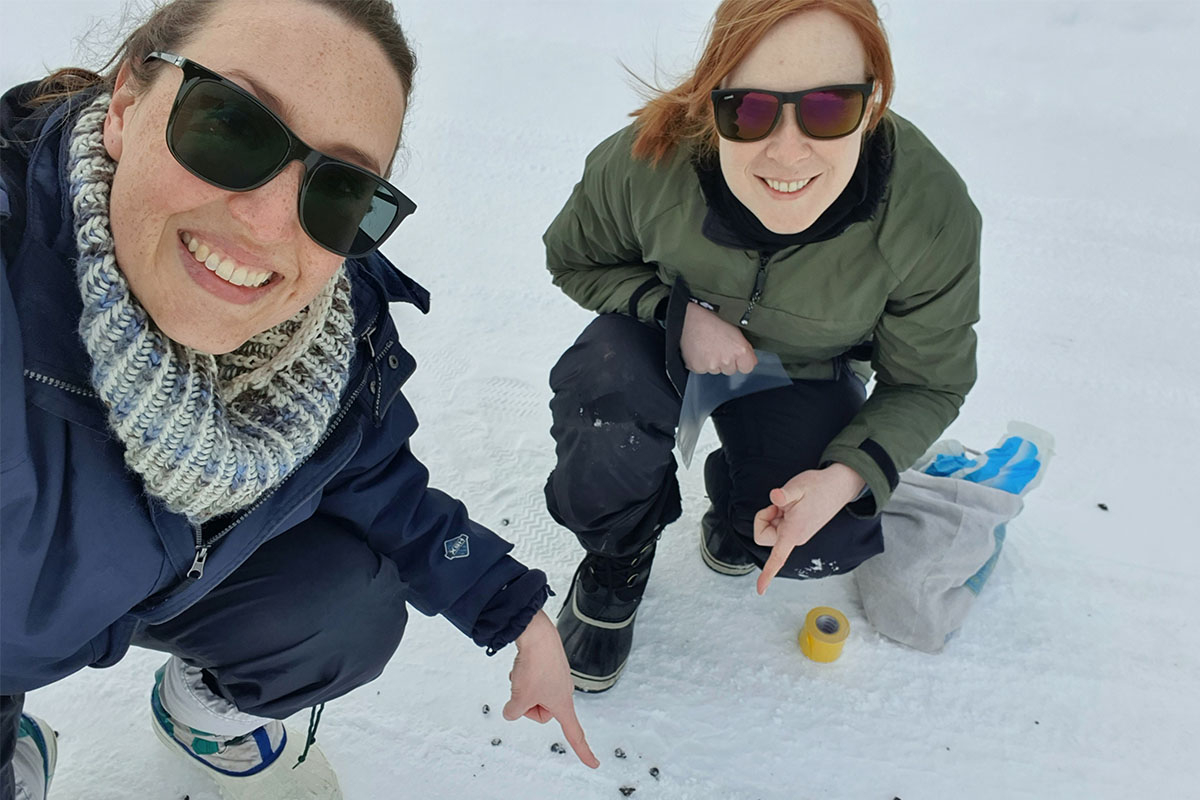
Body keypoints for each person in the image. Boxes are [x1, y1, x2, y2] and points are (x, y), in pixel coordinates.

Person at [0, 1, 600, 798]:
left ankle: (199, 714)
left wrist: (512, 612)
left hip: (136, 586)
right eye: (230, 124)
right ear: (124, 107)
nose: (270, 222)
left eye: (340, 189)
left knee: (348, 608)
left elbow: (383, 485)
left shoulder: (326, 337)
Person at [545, 0, 982, 692]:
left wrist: (842, 478)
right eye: (747, 110)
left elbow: (928, 381)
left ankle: (736, 501)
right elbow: (574, 260)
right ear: (709, 96)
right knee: (603, 391)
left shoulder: (928, 211)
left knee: (822, 536)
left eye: (829, 108)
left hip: (803, 371)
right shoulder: (647, 162)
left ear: (873, 105)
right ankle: (615, 560)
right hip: (666, 348)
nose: (785, 149)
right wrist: (675, 313)